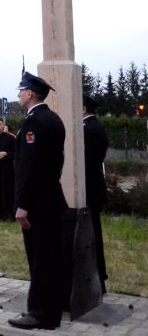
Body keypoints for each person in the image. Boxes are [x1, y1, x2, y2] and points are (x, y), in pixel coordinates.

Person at [8, 72, 67, 331]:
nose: (19, 94)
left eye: (21, 90)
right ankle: (51, 310)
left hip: (38, 204)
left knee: (40, 258)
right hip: (52, 197)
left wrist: (22, 205)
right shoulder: (53, 119)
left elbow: (29, 168)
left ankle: (40, 314)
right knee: (50, 257)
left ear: (30, 93)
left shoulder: (34, 123)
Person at [83, 94, 109, 294]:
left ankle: (97, 278)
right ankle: (98, 278)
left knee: (91, 235)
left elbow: (86, 161)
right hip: (93, 186)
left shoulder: (88, 130)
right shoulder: (96, 127)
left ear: (83, 109)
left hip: (88, 188)